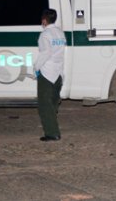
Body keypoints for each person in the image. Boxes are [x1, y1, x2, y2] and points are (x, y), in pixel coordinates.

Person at [35, 9, 66, 141]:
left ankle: (52, 132)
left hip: (47, 72)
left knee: (44, 104)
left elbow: (45, 52)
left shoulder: (45, 34)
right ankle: (52, 125)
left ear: (44, 20)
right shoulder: (60, 33)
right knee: (53, 102)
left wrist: (36, 67)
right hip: (58, 72)